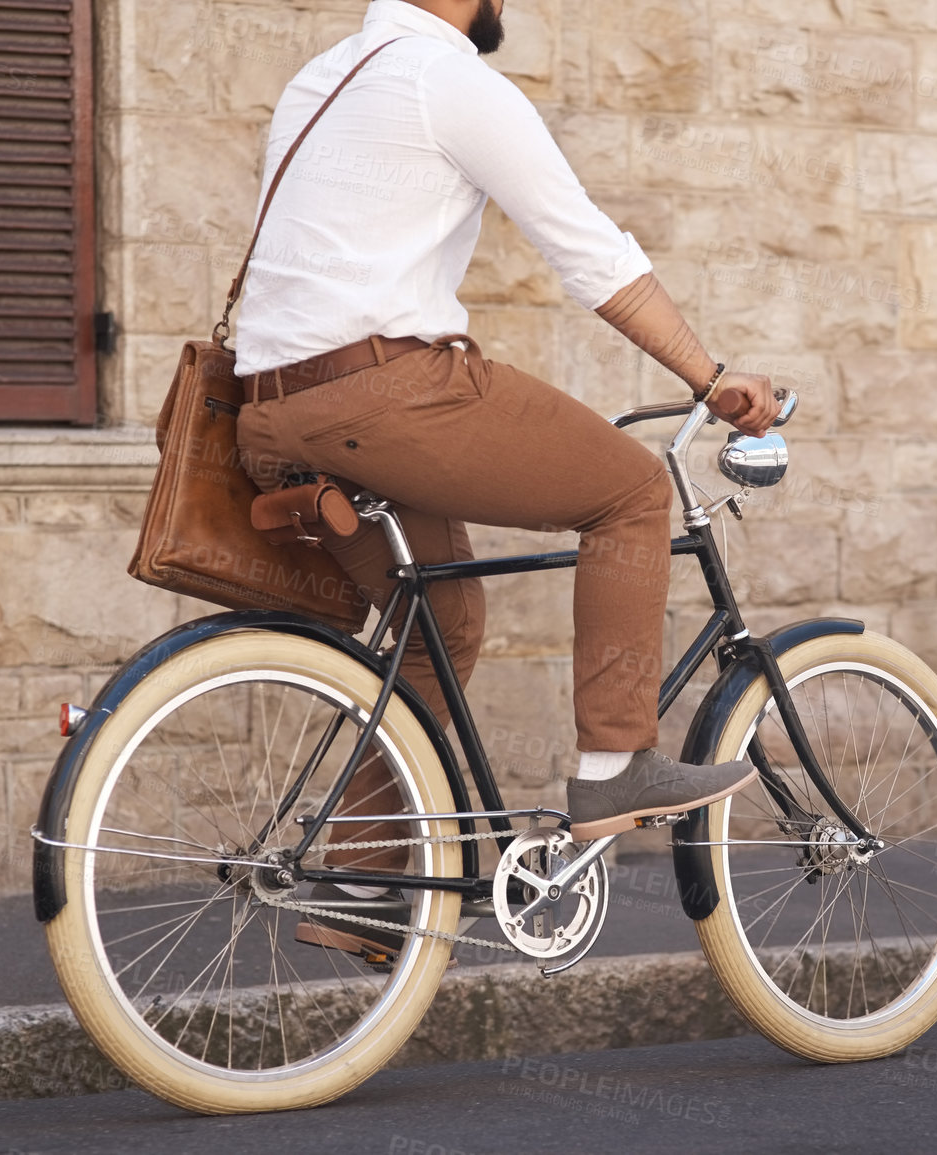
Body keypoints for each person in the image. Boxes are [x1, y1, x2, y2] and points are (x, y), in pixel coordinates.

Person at [232, 0, 780, 958]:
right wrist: (709, 374)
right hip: (384, 391)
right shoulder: (451, 81)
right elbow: (589, 251)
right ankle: (616, 766)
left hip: (272, 409)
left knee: (437, 626)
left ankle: (363, 878)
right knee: (631, 492)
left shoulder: (322, 77)